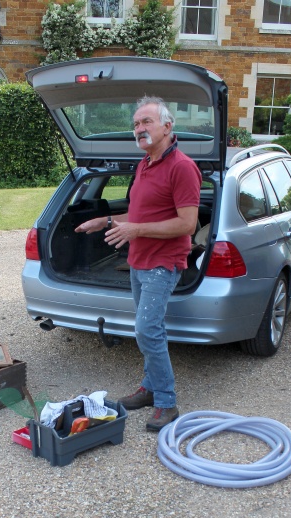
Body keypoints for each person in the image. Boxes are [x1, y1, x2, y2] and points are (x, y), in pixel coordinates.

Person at [75, 96, 202, 431]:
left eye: (146, 122)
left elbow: (187, 224)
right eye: (136, 124)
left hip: (164, 263)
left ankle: (166, 402)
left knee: (148, 330)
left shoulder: (182, 167)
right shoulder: (145, 164)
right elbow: (139, 215)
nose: (140, 129)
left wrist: (135, 229)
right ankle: (148, 388)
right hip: (139, 261)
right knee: (146, 331)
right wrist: (104, 221)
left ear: (167, 126)